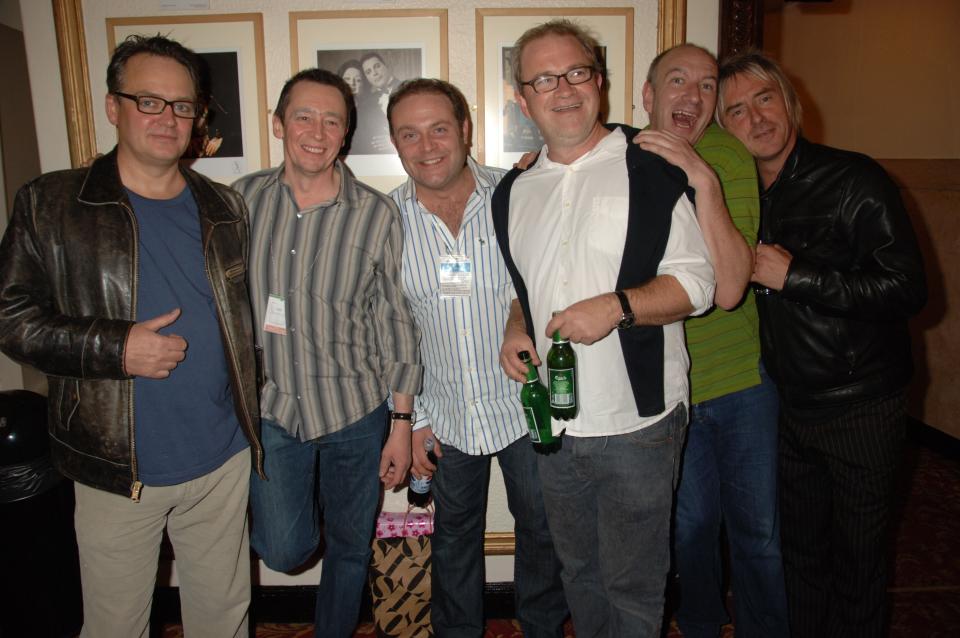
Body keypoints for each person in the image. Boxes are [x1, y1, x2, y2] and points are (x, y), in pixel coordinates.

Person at [0, 35, 262, 637]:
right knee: (116, 625)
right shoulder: (52, 203)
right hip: (119, 469)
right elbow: (11, 321)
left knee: (224, 619)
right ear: (113, 106)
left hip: (222, 458)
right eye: (149, 101)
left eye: (182, 106)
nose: (168, 119)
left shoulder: (225, 207)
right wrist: (115, 346)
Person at [493, 20, 715, 637]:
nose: (562, 88)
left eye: (576, 72)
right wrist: (518, 328)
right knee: (580, 575)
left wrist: (616, 307)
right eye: (544, 78)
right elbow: (525, 289)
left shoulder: (652, 167)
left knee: (633, 586)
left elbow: (697, 285)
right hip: (554, 423)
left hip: (637, 423)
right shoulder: (513, 189)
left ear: (601, 82)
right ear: (523, 97)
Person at [717, 50, 926, 638]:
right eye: (736, 110)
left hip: (861, 405)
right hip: (784, 406)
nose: (756, 118)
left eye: (765, 99)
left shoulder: (854, 178)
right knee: (801, 559)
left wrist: (797, 276)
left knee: (857, 564)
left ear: (791, 103)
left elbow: (907, 288)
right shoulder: (740, 194)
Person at [232, 68, 421, 638]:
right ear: (279, 124)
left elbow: (395, 320)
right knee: (283, 548)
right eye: (304, 117)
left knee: (349, 547)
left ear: (345, 134)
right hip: (273, 411)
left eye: (332, 120)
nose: (317, 131)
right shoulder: (241, 201)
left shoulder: (376, 213)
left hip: (353, 412)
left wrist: (402, 423)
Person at [386, 78, 568, 637]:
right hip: (444, 414)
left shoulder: (519, 192)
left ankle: (540, 627)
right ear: (395, 144)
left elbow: (551, 279)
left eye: (439, 128)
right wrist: (410, 421)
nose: (427, 146)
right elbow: (389, 333)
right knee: (454, 536)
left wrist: (520, 317)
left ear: (465, 129)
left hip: (523, 404)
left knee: (541, 527)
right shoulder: (385, 222)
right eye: (408, 134)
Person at [634, 44, 790, 638]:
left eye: (705, 86)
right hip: (673, 388)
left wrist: (702, 179)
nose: (693, 97)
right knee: (693, 525)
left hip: (742, 381)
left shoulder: (727, 153)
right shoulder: (621, 157)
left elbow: (731, 283)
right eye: (678, 81)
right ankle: (701, 623)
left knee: (759, 531)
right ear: (649, 96)